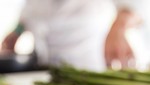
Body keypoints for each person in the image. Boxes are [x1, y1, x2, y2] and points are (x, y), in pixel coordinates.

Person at [0, 0, 149, 71]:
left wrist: (119, 27)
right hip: (46, 71)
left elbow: (138, 6)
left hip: (89, 73)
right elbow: (27, 15)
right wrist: (16, 33)